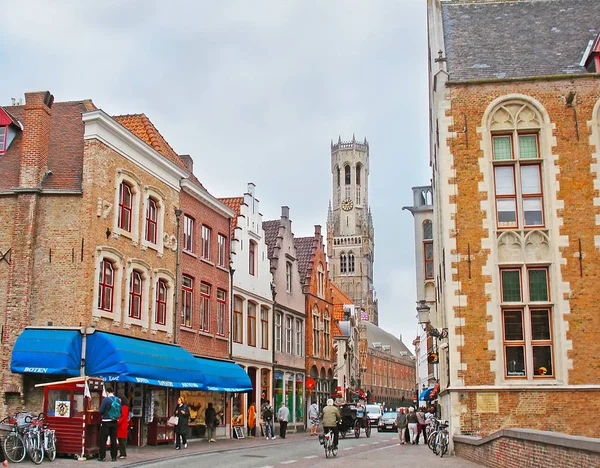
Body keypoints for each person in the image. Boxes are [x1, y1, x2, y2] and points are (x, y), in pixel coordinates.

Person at [98, 387, 121, 462]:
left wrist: (103, 414)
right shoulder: (117, 399)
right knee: (113, 439)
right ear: (113, 392)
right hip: (115, 421)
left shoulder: (105, 400)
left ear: (107, 392)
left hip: (106, 421)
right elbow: (120, 410)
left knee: (103, 440)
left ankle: (102, 456)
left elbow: (101, 410)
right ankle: (114, 457)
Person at [117, 393, 129, 459]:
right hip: (121, 425)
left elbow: (123, 417)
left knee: (122, 440)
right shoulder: (122, 407)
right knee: (120, 440)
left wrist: (118, 422)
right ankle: (121, 453)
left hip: (122, 425)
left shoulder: (125, 407)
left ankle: (123, 454)